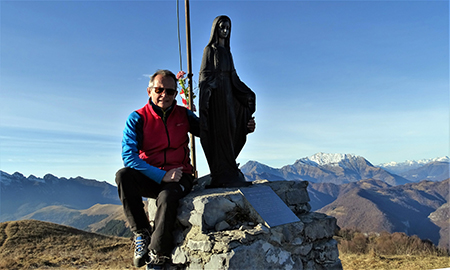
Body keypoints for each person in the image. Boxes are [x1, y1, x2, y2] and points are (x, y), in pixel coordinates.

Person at [115, 70, 199, 270]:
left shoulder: (184, 115)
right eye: (159, 90)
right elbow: (129, 157)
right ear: (149, 91)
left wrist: (243, 126)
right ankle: (141, 233)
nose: (165, 95)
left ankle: (158, 254)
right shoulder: (137, 118)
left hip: (181, 174)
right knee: (123, 176)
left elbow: (212, 131)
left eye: (170, 91)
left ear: (176, 94)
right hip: (152, 174)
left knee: (167, 197)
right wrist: (161, 175)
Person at [199, 15, 256, 188]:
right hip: (217, 98)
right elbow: (204, 76)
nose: (225, 31)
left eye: (228, 28)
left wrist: (247, 93)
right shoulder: (210, 50)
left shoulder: (228, 52)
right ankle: (222, 172)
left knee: (233, 128)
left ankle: (230, 168)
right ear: (215, 29)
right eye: (222, 27)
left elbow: (234, 76)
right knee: (221, 132)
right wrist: (211, 88)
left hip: (229, 95)